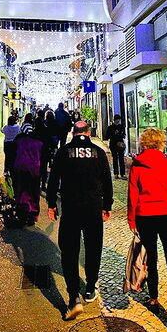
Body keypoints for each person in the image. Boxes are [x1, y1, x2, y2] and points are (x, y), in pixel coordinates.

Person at [127, 128, 167, 332]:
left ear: (144, 144)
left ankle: (153, 298)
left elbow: (132, 195)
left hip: (146, 217)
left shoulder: (137, 166)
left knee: (151, 260)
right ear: (161, 143)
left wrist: (132, 220)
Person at [47, 121, 113, 321]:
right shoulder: (98, 152)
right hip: (93, 208)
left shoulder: (63, 152)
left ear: (72, 133)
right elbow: (107, 181)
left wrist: (51, 204)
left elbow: (53, 179)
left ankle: (73, 296)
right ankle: (90, 287)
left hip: (71, 209)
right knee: (94, 248)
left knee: (69, 251)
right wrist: (107, 205)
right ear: (89, 133)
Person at [12, 118, 42, 224]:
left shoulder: (18, 139)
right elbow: (42, 155)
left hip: (20, 168)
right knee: (34, 191)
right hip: (34, 170)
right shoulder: (38, 141)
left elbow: (12, 154)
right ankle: (33, 213)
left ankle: (21, 211)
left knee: (21, 190)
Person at [38, 110, 59, 191]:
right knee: (45, 165)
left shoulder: (44, 124)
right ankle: (44, 184)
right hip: (49, 147)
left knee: (41, 167)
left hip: (41, 150)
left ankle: (39, 183)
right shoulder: (55, 122)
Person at [105, 115, 128, 180]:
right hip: (113, 145)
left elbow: (124, 135)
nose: (118, 121)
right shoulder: (110, 127)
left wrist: (120, 135)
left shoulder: (121, 127)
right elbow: (107, 136)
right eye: (117, 119)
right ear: (114, 120)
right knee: (115, 159)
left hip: (120, 145)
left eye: (119, 120)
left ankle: (122, 174)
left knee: (121, 159)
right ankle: (116, 174)